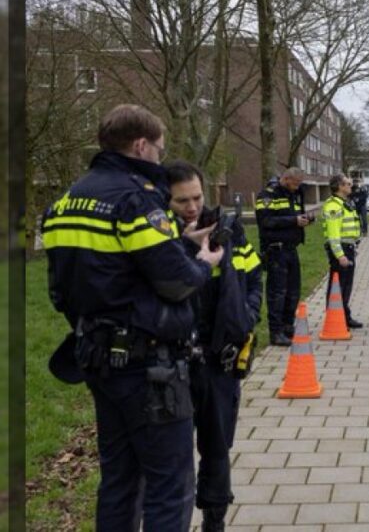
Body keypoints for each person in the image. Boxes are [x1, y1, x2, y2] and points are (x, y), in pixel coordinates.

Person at [42, 104, 223, 531]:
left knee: (119, 481)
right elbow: (176, 282)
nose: (160, 157)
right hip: (149, 367)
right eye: (159, 149)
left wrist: (179, 242)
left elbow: (71, 285)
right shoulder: (135, 199)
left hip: (97, 357)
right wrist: (203, 262)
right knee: (169, 485)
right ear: (141, 145)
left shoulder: (67, 201)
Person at [166, 161, 262, 532]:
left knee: (217, 448)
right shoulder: (158, 236)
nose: (192, 207)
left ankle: (215, 520)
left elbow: (253, 277)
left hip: (219, 359)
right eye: (181, 201)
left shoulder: (228, 229)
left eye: (197, 197)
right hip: (173, 361)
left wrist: (247, 316)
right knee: (172, 454)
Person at [255, 167, 311, 346]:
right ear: (286, 179)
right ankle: (275, 332)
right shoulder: (267, 195)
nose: (297, 187)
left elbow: (293, 215)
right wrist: (294, 221)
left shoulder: (293, 195)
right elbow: (266, 221)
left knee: (293, 291)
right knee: (277, 293)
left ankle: (288, 326)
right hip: (275, 250)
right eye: (295, 183)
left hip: (291, 248)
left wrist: (305, 219)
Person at [322, 174, 363, 328]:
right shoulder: (334, 206)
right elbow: (333, 235)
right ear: (340, 186)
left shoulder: (345, 203)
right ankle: (334, 320)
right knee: (338, 286)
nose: (350, 186)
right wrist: (340, 255)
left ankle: (344, 316)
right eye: (347, 184)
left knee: (346, 286)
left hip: (348, 248)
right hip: (341, 250)